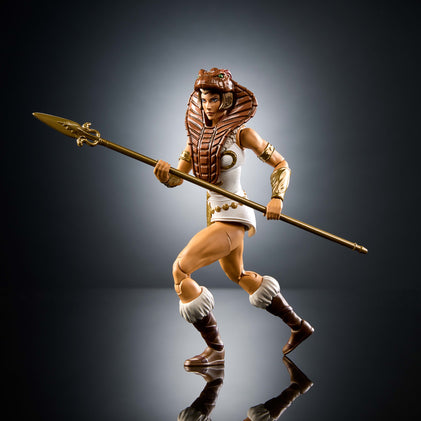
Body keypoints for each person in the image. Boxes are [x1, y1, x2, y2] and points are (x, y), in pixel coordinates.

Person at [154, 68, 313, 367]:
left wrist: (277, 197)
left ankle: (215, 350)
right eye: (204, 99)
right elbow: (177, 178)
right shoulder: (195, 139)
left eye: (213, 99)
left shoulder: (243, 134)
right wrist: (164, 174)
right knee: (239, 276)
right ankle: (298, 325)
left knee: (180, 270)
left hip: (233, 217)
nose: (207, 105)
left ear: (226, 100)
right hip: (217, 218)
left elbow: (281, 164)